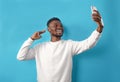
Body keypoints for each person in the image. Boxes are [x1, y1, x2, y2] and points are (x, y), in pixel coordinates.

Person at [17, 9, 104, 82]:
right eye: (56, 25)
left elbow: (88, 43)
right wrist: (31, 39)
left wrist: (100, 26)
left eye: (61, 26)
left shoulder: (69, 45)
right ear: (49, 30)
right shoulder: (39, 47)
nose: (59, 27)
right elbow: (21, 57)